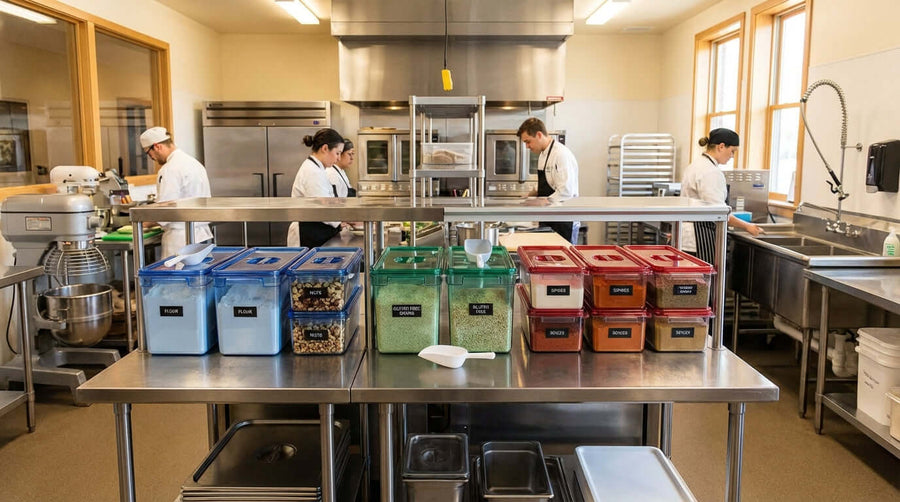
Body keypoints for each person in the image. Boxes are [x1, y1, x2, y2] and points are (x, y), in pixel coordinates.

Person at [681, 128, 764, 265]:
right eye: (732, 151)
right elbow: (718, 212)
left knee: (692, 284)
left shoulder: (696, 165)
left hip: (688, 237)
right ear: (721, 146)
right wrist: (747, 226)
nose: (732, 156)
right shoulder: (710, 172)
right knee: (703, 284)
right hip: (699, 238)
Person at [139, 126, 213, 258]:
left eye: (148, 153)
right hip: (202, 236)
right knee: (200, 277)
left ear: (156, 146)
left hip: (181, 239)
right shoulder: (194, 163)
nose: (152, 158)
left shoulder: (170, 169)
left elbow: (165, 211)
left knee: (178, 278)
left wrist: (142, 222)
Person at [516, 117, 580, 243]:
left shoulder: (561, 154)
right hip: (549, 216)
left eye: (528, 142)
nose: (527, 146)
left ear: (539, 135)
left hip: (563, 219)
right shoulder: (543, 155)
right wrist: (531, 195)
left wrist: (542, 202)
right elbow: (547, 182)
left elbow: (566, 191)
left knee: (563, 259)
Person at [287, 128, 345, 248]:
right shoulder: (312, 172)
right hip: (307, 234)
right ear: (325, 149)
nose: (339, 158)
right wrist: (345, 219)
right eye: (337, 153)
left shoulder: (318, 169)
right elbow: (324, 210)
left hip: (315, 232)